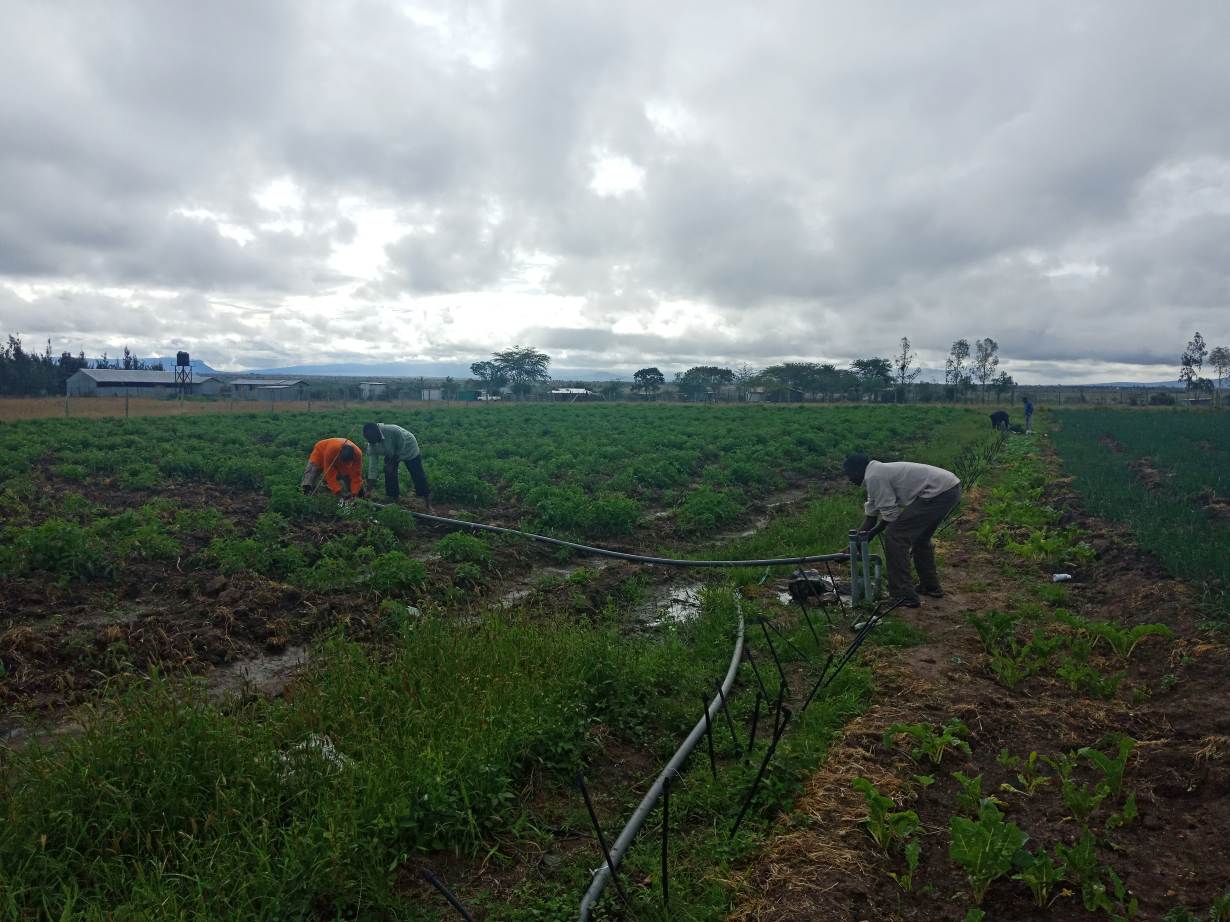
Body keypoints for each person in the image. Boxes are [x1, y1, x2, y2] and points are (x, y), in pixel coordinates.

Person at [843, 453, 962, 608]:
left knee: (895, 536)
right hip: (948, 488)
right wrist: (855, 544)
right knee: (920, 538)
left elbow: (891, 516)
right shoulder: (875, 474)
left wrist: (872, 534)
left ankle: (903, 595)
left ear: (857, 470)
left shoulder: (875, 476)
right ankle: (930, 586)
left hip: (939, 492)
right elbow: (871, 517)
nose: (849, 479)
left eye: (849, 474)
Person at [363, 422, 433, 513]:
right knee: (389, 472)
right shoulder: (372, 445)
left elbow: (401, 447)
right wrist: (369, 490)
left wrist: (392, 463)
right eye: (370, 441)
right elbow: (373, 468)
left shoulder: (393, 430)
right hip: (391, 451)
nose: (372, 443)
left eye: (373, 440)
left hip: (409, 448)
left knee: (417, 474)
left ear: (377, 433)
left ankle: (427, 503)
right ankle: (396, 500)